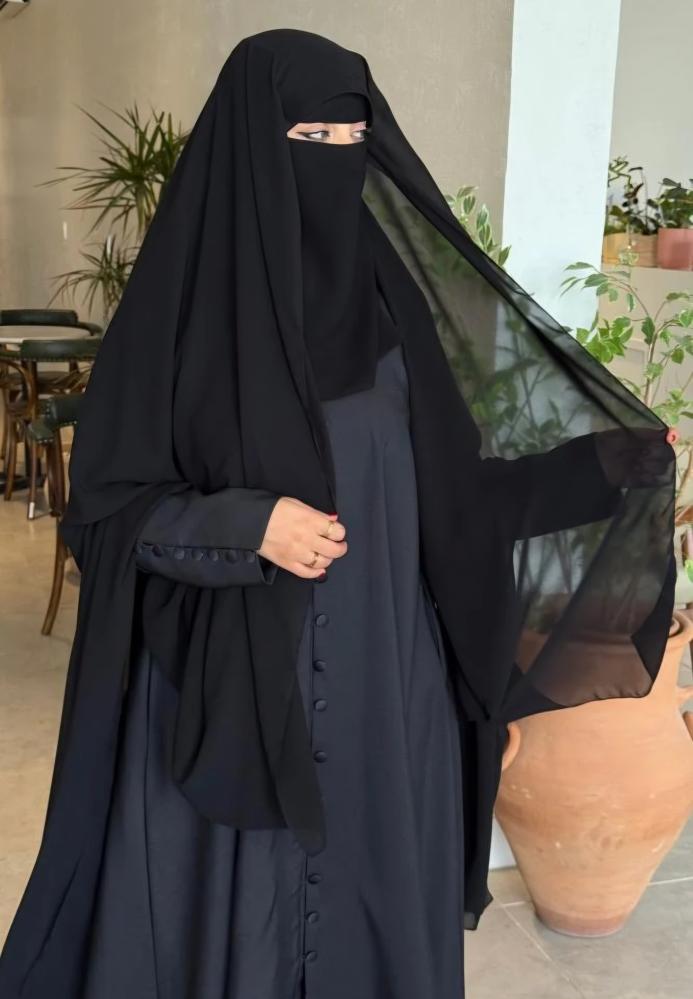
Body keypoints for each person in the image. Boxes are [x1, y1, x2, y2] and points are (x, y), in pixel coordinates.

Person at [0, 28, 677, 999]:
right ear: (250, 147)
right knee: (240, 929)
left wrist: (608, 464)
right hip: (232, 682)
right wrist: (246, 526)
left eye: (352, 137)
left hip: (382, 684)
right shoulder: (181, 322)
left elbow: (457, 501)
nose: (333, 159)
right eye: (308, 137)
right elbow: (108, 513)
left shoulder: (390, 310)